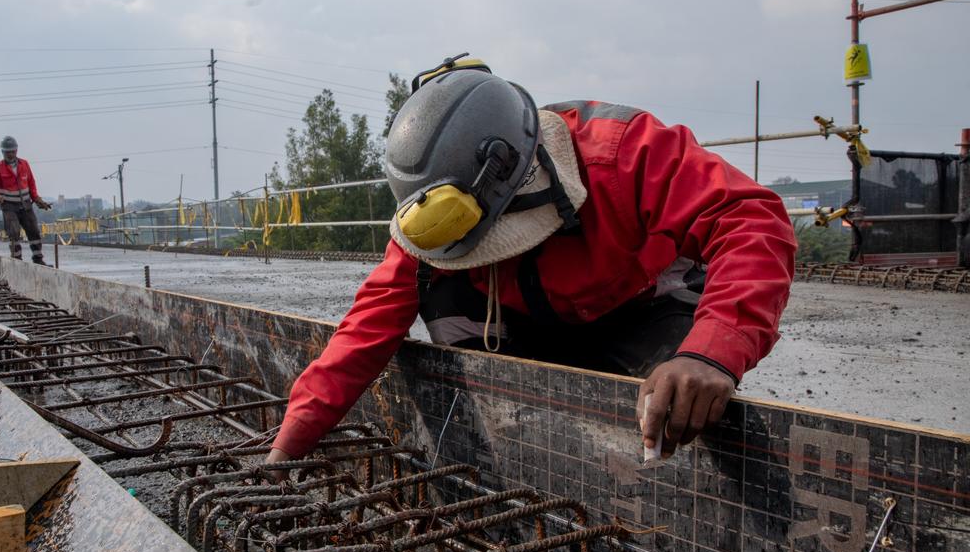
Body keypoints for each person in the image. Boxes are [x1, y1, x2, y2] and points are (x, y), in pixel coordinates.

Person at [265, 56, 796, 471]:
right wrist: (287, 448)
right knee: (440, 292)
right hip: (519, 327)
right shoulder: (435, 222)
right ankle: (512, 450)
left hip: (639, 309)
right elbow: (363, 333)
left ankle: (656, 446)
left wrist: (711, 353)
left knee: (677, 407)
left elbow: (751, 220)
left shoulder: (622, 151)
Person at [0, 135, 51, 263]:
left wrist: (37, 199)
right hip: (9, 206)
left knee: (33, 230)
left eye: (13, 151)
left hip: (25, 205)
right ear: (3, 152)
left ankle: (38, 259)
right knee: (14, 231)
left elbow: (31, 183)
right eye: (8, 152)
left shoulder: (24, 164)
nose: (11, 154)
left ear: (16, 150)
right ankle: (17, 260)